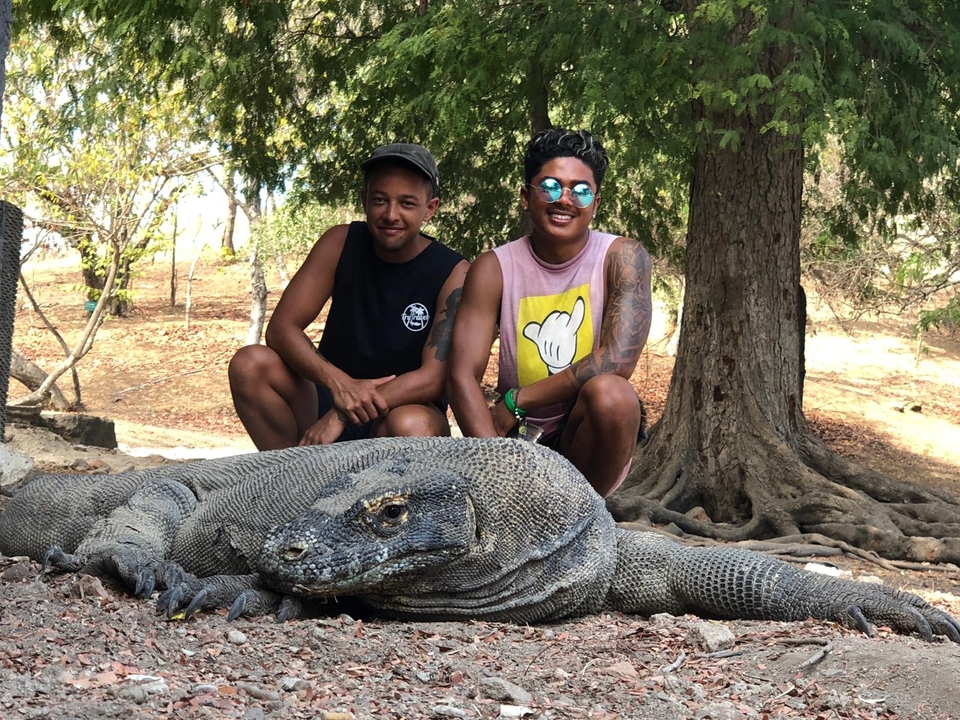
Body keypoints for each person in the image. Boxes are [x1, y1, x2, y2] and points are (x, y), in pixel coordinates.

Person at [447, 128, 652, 497]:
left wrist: (516, 400)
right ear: (526, 196)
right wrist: (493, 460)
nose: (565, 200)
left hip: (584, 435)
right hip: (517, 441)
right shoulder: (494, 267)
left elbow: (615, 362)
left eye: (581, 190)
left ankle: (586, 513)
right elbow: (461, 375)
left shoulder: (622, 256)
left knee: (614, 395)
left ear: (596, 203)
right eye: (551, 187)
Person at [229, 143, 470, 449]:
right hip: (327, 395)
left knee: (413, 424)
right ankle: (291, 479)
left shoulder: (454, 271)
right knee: (250, 364)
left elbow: (433, 378)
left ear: (430, 208)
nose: (391, 214)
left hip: (399, 408)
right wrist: (339, 384)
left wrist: (343, 412)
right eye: (380, 200)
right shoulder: (340, 242)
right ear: (364, 200)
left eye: (407, 203)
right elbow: (281, 329)